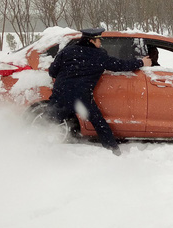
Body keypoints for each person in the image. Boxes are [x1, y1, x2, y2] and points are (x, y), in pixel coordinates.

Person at [47, 27, 151, 155]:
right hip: (81, 97)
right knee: (99, 124)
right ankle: (114, 151)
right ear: (91, 41)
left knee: (48, 123)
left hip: (60, 94)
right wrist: (141, 62)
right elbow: (119, 65)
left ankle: (35, 147)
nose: (100, 42)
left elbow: (52, 71)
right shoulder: (98, 55)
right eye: (98, 40)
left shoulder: (67, 51)